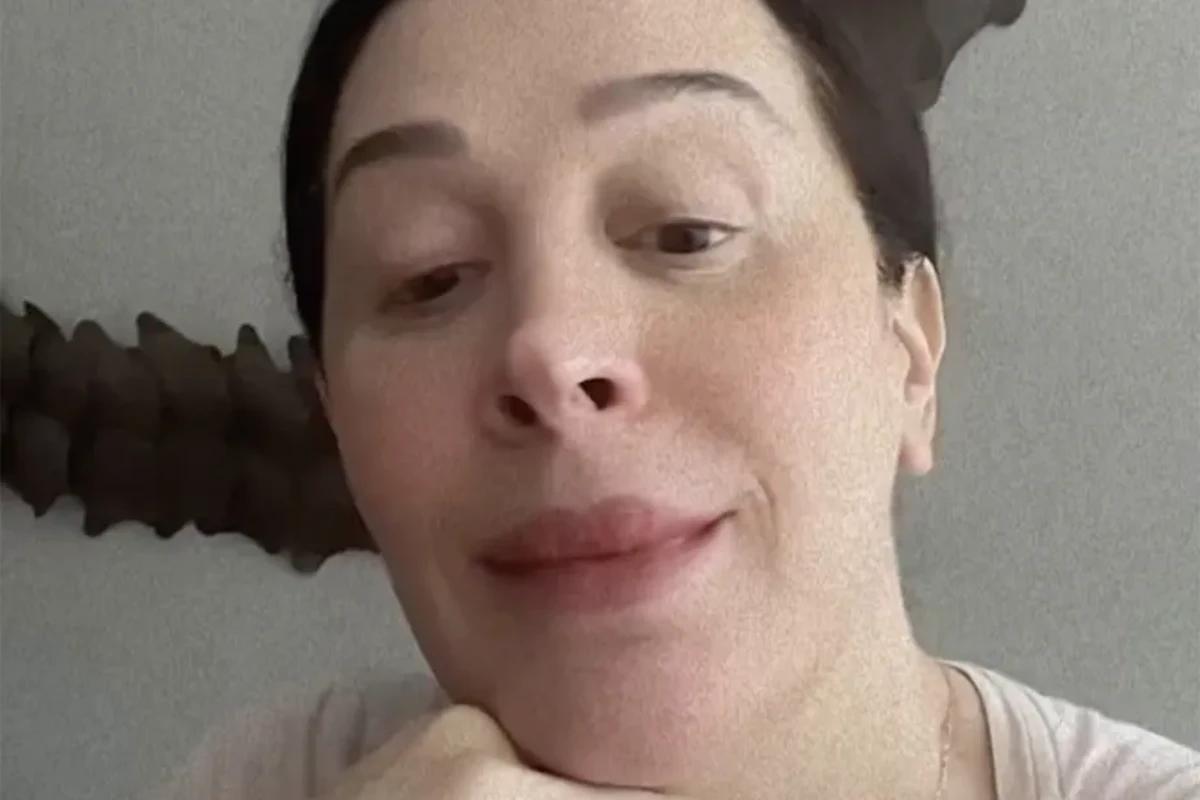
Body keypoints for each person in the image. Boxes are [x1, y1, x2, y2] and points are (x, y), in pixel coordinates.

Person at [152, 0, 1200, 798]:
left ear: (912, 352)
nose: (549, 351)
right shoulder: (281, 774)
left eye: (688, 230)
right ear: (338, 415)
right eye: (428, 275)